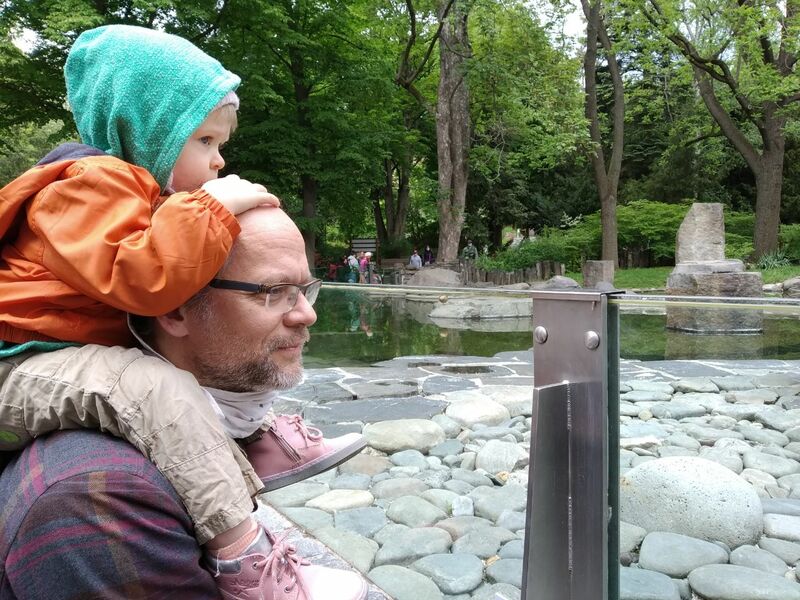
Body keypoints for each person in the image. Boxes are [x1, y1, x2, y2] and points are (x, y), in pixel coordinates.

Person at [0, 25, 365, 599]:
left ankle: (250, 437)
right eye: (205, 141)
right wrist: (210, 210)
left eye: (304, 289)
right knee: (153, 389)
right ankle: (248, 565)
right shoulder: (87, 187)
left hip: (48, 355)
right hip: (17, 363)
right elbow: (144, 279)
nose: (219, 162)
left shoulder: (129, 195)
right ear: (150, 129)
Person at [0, 208, 369, 599]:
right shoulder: (100, 500)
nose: (307, 314)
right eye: (274, 291)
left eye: (305, 289)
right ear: (174, 308)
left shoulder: (189, 437)